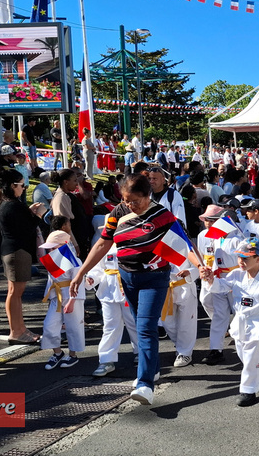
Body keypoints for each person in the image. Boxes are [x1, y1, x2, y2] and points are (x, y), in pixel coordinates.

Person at [70, 174, 182, 406]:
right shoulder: (118, 213)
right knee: (140, 324)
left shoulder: (162, 215)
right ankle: (153, 369)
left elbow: (182, 243)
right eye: (125, 199)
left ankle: (145, 383)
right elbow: (102, 243)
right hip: (127, 277)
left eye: (135, 200)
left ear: (147, 195)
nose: (130, 205)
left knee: (144, 327)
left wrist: (200, 265)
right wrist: (81, 273)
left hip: (155, 276)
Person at [202, 237, 259, 406]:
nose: (241, 261)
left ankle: (248, 390)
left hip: (257, 320)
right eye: (239, 257)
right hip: (240, 320)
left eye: (246, 258)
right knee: (243, 354)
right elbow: (221, 286)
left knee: (250, 357)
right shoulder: (236, 275)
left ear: (258, 259)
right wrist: (210, 278)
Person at [0, 168, 48, 345]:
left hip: (12, 250)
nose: (23, 188)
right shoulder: (12, 205)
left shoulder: (8, 203)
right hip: (17, 251)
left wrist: (30, 213)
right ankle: (16, 330)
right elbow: (26, 229)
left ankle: (20, 328)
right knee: (15, 293)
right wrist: (38, 215)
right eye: (21, 185)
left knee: (14, 292)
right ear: (12, 186)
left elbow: (20, 223)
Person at [196, 205, 242, 365]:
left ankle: (243, 345)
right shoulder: (217, 239)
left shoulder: (238, 239)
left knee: (239, 312)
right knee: (219, 315)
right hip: (219, 277)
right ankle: (216, 349)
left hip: (235, 279)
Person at [88, 240, 139, 377]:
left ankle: (141, 352)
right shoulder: (102, 245)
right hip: (108, 289)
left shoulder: (133, 241)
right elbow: (97, 267)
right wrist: (91, 278)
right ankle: (106, 360)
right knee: (110, 325)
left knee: (134, 322)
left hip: (129, 286)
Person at [39, 231, 85, 370]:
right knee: (49, 325)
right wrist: (50, 295)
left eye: (54, 248)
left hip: (72, 296)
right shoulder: (53, 259)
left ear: (65, 244)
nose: (50, 251)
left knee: (74, 326)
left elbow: (78, 282)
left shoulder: (75, 261)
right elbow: (51, 280)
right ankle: (57, 352)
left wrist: (72, 300)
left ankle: (73, 354)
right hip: (57, 296)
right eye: (50, 248)